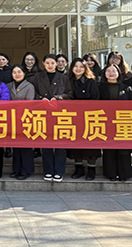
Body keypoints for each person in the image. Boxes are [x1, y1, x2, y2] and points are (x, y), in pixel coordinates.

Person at [30, 53, 73, 182]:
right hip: (43, 113)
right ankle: (48, 170)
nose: (50, 65)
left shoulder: (63, 78)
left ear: (57, 64)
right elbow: (33, 92)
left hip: (59, 113)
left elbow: (69, 93)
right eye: (47, 63)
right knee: (46, 142)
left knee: (60, 143)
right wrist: (40, 98)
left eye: (53, 63)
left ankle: (59, 171)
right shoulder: (37, 77)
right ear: (43, 63)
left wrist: (59, 97)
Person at [99, 64, 132, 181]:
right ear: (104, 73)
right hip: (106, 122)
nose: (111, 73)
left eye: (114, 71)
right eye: (108, 71)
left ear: (119, 73)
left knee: (124, 149)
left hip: (123, 122)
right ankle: (111, 174)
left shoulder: (127, 88)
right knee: (109, 149)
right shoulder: (100, 87)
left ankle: (124, 174)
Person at [67, 58, 100, 181]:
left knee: (90, 143)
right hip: (73, 117)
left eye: (81, 66)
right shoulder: (68, 81)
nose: (78, 69)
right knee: (76, 143)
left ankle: (91, 169)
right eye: (76, 66)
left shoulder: (90, 81)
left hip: (89, 116)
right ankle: (78, 167)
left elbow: (95, 99)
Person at [8, 64, 35, 180]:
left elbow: (29, 103)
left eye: (19, 72)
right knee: (15, 146)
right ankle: (16, 169)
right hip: (12, 118)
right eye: (14, 72)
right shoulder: (9, 86)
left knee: (25, 146)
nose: (17, 74)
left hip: (25, 119)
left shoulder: (30, 86)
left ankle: (26, 170)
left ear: (24, 73)